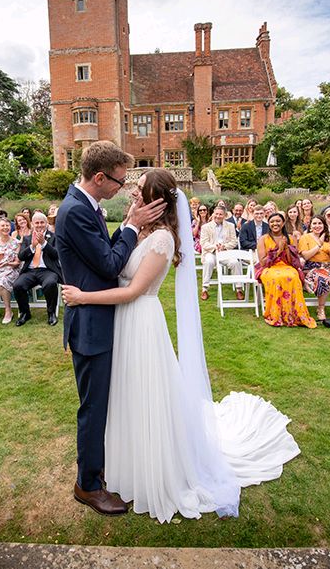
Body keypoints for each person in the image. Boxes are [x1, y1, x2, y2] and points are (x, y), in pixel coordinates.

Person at [60, 169, 300, 523]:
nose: (132, 194)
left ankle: (154, 468)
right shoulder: (137, 228)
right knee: (123, 396)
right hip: (120, 323)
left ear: (157, 200)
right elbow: (112, 262)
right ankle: (124, 462)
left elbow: (132, 290)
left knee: (146, 396)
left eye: (139, 190)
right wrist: (129, 223)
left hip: (140, 321)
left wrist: (83, 296)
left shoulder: (161, 241)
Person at [54, 140, 165, 516]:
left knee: (102, 404)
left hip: (102, 320)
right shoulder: (75, 212)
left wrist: (128, 226)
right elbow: (108, 265)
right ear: (99, 177)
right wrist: (133, 225)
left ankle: (100, 470)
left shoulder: (89, 206)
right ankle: (88, 485)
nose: (121, 189)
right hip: (91, 327)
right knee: (94, 408)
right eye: (118, 182)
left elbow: (108, 255)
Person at [257, 212, 316, 328]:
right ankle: (276, 314)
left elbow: (293, 261)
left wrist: (286, 248)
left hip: (287, 267)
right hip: (269, 268)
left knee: (293, 277)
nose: (275, 224)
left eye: (278, 221)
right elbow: (263, 262)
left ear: (283, 223)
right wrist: (279, 250)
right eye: (272, 221)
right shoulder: (263, 239)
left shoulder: (291, 238)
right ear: (268, 224)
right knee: (276, 278)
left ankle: (293, 314)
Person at [298, 215, 330, 327]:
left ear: (324, 225)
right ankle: (321, 308)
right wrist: (319, 244)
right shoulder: (305, 237)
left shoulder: (327, 237)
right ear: (310, 226)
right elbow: (306, 256)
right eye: (315, 223)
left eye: (320, 223)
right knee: (323, 278)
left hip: (327, 266)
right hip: (311, 267)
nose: (317, 226)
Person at [13, 212, 62, 326]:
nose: (39, 225)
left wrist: (44, 243)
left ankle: (51, 313)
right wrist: (32, 246)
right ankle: (25, 313)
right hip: (30, 271)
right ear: (32, 224)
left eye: (42, 222)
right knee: (18, 285)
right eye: (37, 223)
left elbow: (56, 255)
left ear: (46, 223)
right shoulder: (27, 238)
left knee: (50, 284)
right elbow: (21, 257)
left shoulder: (54, 237)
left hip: (48, 270)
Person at [199, 205, 244, 301]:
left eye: (220, 214)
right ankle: (204, 288)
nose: (218, 216)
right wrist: (215, 247)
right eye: (216, 214)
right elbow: (203, 243)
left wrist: (224, 246)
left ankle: (239, 288)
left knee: (235, 262)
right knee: (209, 261)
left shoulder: (230, 226)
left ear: (224, 215)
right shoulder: (206, 227)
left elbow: (234, 241)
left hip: (225, 252)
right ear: (213, 214)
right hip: (211, 252)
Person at [0, 219, 21, 324]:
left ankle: (8, 310)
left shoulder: (16, 242)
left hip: (11, 269)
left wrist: (7, 264)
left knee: (2, 282)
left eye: (7, 225)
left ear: (10, 227)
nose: (5, 227)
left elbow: (17, 263)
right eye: (2, 226)